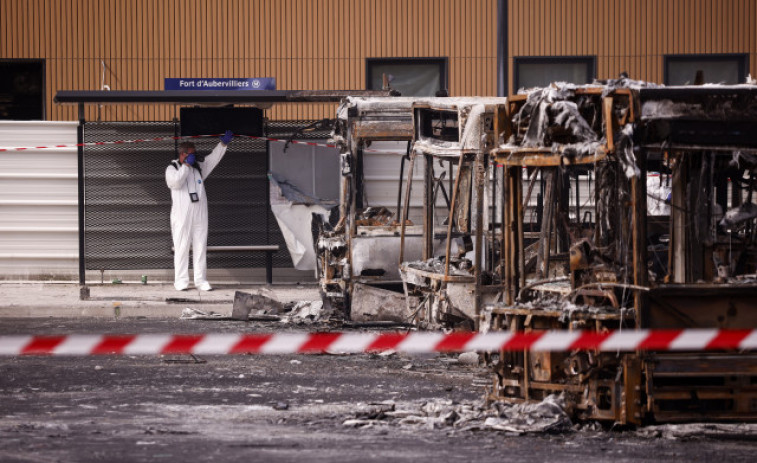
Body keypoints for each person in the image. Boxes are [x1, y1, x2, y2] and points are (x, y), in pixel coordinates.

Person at [166, 130, 234, 291]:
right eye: (191, 154)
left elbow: (212, 159)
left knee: (200, 247)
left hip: (199, 214)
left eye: (194, 154)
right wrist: (185, 166)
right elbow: (175, 183)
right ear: (182, 155)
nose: (194, 157)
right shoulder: (172, 168)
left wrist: (223, 144)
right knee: (181, 247)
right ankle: (181, 281)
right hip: (182, 215)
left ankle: (200, 280)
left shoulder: (198, 169)